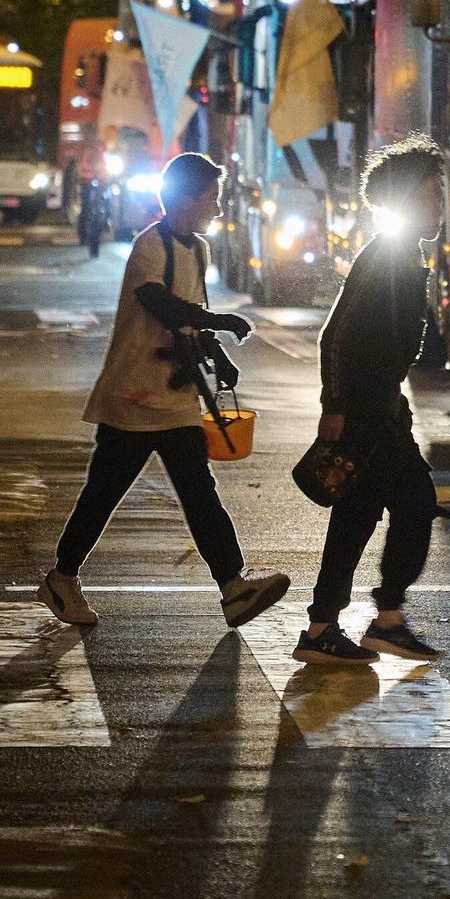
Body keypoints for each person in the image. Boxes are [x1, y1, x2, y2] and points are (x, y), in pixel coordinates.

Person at [40, 152, 289, 630]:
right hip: (133, 396)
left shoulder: (198, 250)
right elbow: (160, 304)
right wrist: (219, 321)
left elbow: (190, 316)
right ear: (187, 199)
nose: (217, 208)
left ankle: (234, 588)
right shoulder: (149, 246)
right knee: (104, 492)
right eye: (211, 198)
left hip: (174, 398)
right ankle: (61, 577)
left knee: (200, 491)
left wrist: (219, 358)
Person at [293, 137, 450, 666]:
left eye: (442, 191)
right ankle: (378, 619)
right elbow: (335, 336)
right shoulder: (386, 255)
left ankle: (341, 624)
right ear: (407, 198)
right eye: (431, 193)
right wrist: (333, 406)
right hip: (365, 409)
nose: (441, 204)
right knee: (406, 504)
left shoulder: (404, 252)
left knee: (363, 513)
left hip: (382, 407)